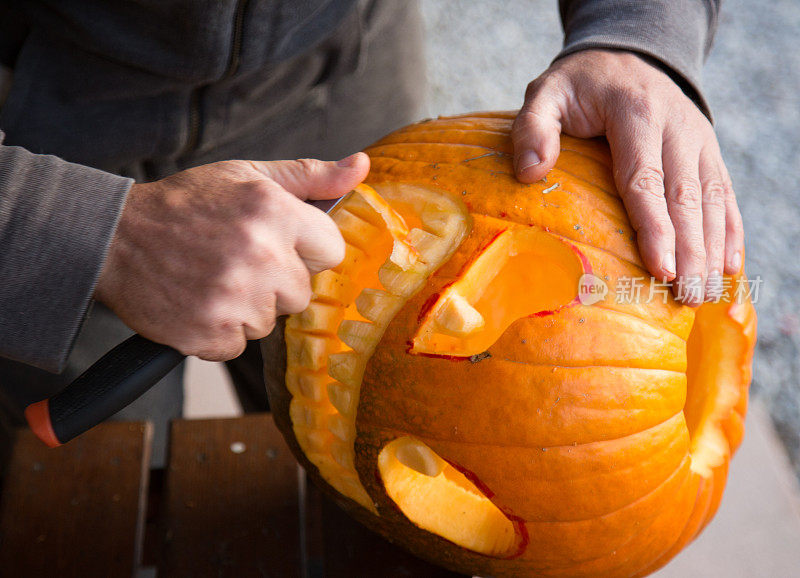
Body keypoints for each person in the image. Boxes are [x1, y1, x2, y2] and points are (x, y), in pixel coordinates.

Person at [0, 0, 741, 462]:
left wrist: (639, 32)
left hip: (337, 64)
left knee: (379, 432)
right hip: (33, 119)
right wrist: (90, 230)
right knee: (86, 486)